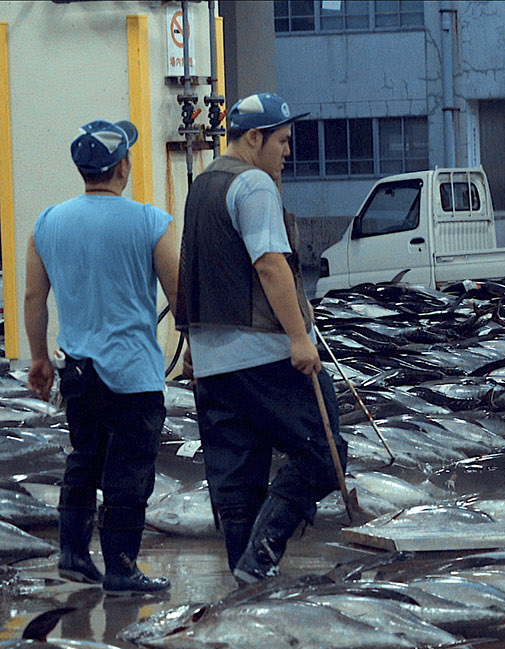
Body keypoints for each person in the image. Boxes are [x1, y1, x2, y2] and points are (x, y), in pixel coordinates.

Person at [177, 92, 345, 583]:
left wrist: (190, 345)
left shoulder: (203, 182)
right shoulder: (253, 184)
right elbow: (270, 263)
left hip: (213, 364)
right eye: (283, 141)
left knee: (236, 477)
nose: (287, 152)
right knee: (324, 451)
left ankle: (246, 581)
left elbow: (194, 270)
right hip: (262, 354)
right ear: (254, 138)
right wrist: (299, 339)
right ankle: (262, 556)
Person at [22, 119, 179, 595]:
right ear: (123, 166)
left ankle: (72, 554)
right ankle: (122, 568)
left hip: (78, 370)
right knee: (129, 471)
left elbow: (32, 297)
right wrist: (191, 344)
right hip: (133, 375)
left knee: (84, 459)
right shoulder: (151, 222)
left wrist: (38, 360)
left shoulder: (47, 222)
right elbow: (183, 295)